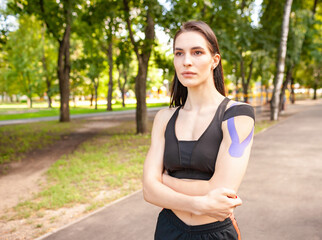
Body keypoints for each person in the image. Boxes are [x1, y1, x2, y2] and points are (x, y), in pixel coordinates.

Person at [143, 21, 255, 240]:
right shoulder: (164, 118)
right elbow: (149, 191)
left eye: (197, 52)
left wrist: (163, 181)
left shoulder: (237, 115)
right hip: (168, 230)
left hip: (215, 233)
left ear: (214, 61)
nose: (186, 62)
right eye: (179, 53)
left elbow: (222, 189)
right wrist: (200, 202)